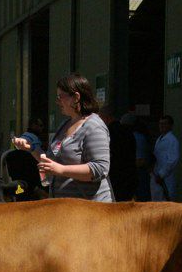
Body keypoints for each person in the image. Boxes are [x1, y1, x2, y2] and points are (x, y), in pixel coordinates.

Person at [13, 73, 112, 202]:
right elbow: (51, 162)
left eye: (60, 97)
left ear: (76, 97)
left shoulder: (94, 126)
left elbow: (100, 168)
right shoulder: (65, 124)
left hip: (89, 211)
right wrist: (31, 149)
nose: (57, 101)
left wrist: (61, 170)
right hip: (64, 209)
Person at [99, 104, 137, 201]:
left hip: (114, 177)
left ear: (106, 118)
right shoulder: (128, 132)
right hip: (129, 176)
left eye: (100, 118)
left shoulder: (107, 133)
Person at [150, 114, 179, 201]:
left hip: (165, 177)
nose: (162, 126)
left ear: (170, 126)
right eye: (160, 124)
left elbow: (173, 160)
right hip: (156, 175)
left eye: (164, 124)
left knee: (165, 202)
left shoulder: (172, 140)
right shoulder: (159, 139)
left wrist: (162, 174)